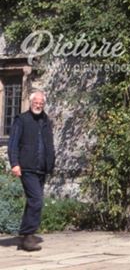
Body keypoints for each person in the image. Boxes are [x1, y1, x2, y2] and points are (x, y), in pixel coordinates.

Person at [8, 89, 56, 253]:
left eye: (41, 103)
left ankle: (25, 235)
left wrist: (51, 163)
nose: (39, 105)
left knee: (32, 201)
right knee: (36, 200)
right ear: (30, 103)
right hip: (26, 167)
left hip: (41, 168)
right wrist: (14, 163)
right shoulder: (21, 120)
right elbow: (13, 143)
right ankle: (28, 236)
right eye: (36, 102)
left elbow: (49, 143)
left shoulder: (46, 120)